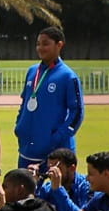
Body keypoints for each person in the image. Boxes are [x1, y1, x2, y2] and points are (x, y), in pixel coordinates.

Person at [14, 27, 84, 170]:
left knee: (55, 190)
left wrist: (58, 136)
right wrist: (20, 127)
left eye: (45, 44)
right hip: (28, 149)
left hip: (55, 152)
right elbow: (25, 102)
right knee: (23, 190)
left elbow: (77, 112)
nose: (40, 48)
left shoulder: (68, 76)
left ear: (59, 45)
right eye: (38, 44)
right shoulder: (32, 71)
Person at [36, 147, 92, 211]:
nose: (51, 173)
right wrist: (35, 184)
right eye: (50, 168)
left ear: (72, 168)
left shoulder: (87, 186)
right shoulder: (48, 188)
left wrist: (58, 190)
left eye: (57, 169)